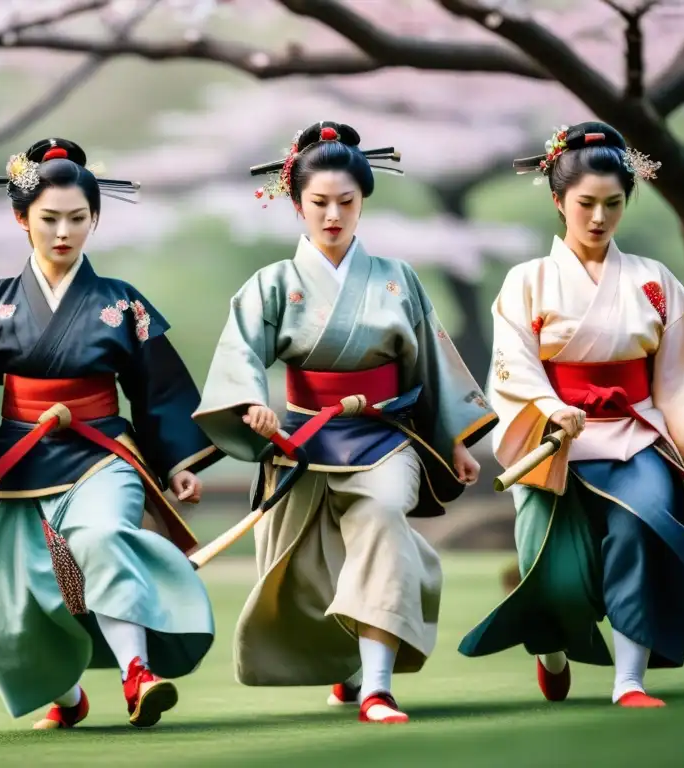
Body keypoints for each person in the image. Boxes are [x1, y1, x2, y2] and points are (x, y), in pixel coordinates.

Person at [456, 121, 684, 707]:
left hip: (634, 433)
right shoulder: (527, 281)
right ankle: (550, 647)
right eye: (585, 204)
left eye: (613, 204)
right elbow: (513, 363)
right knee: (544, 552)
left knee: (643, 529)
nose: (599, 218)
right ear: (559, 201)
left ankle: (629, 678)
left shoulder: (653, 281)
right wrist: (552, 409)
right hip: (555, 438)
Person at [191, 121, 497, 724]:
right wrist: (252, 403)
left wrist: (455, 437)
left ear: (363, 202)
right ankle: (350, 667)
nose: (333, 216)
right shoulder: (272, 284)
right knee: (306, 565)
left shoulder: (397, 279)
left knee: (382, 515)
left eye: (346, 202)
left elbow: (431, 362)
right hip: (302, 437)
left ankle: (379, 684)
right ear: (298, 205)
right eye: (319, 203)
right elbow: (239, 356)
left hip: (387, 434)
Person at [0, 137, 223, 730]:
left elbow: (159, 389)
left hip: (101, 452)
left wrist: (178, 462)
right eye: (49, 219)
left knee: (103, 533)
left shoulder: (121, 304)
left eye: (78, 219)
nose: (63, 232)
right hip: (23, 460)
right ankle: (67, 692)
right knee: (16, 596)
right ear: (20, 219)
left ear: (96, 218)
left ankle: (138, 675)